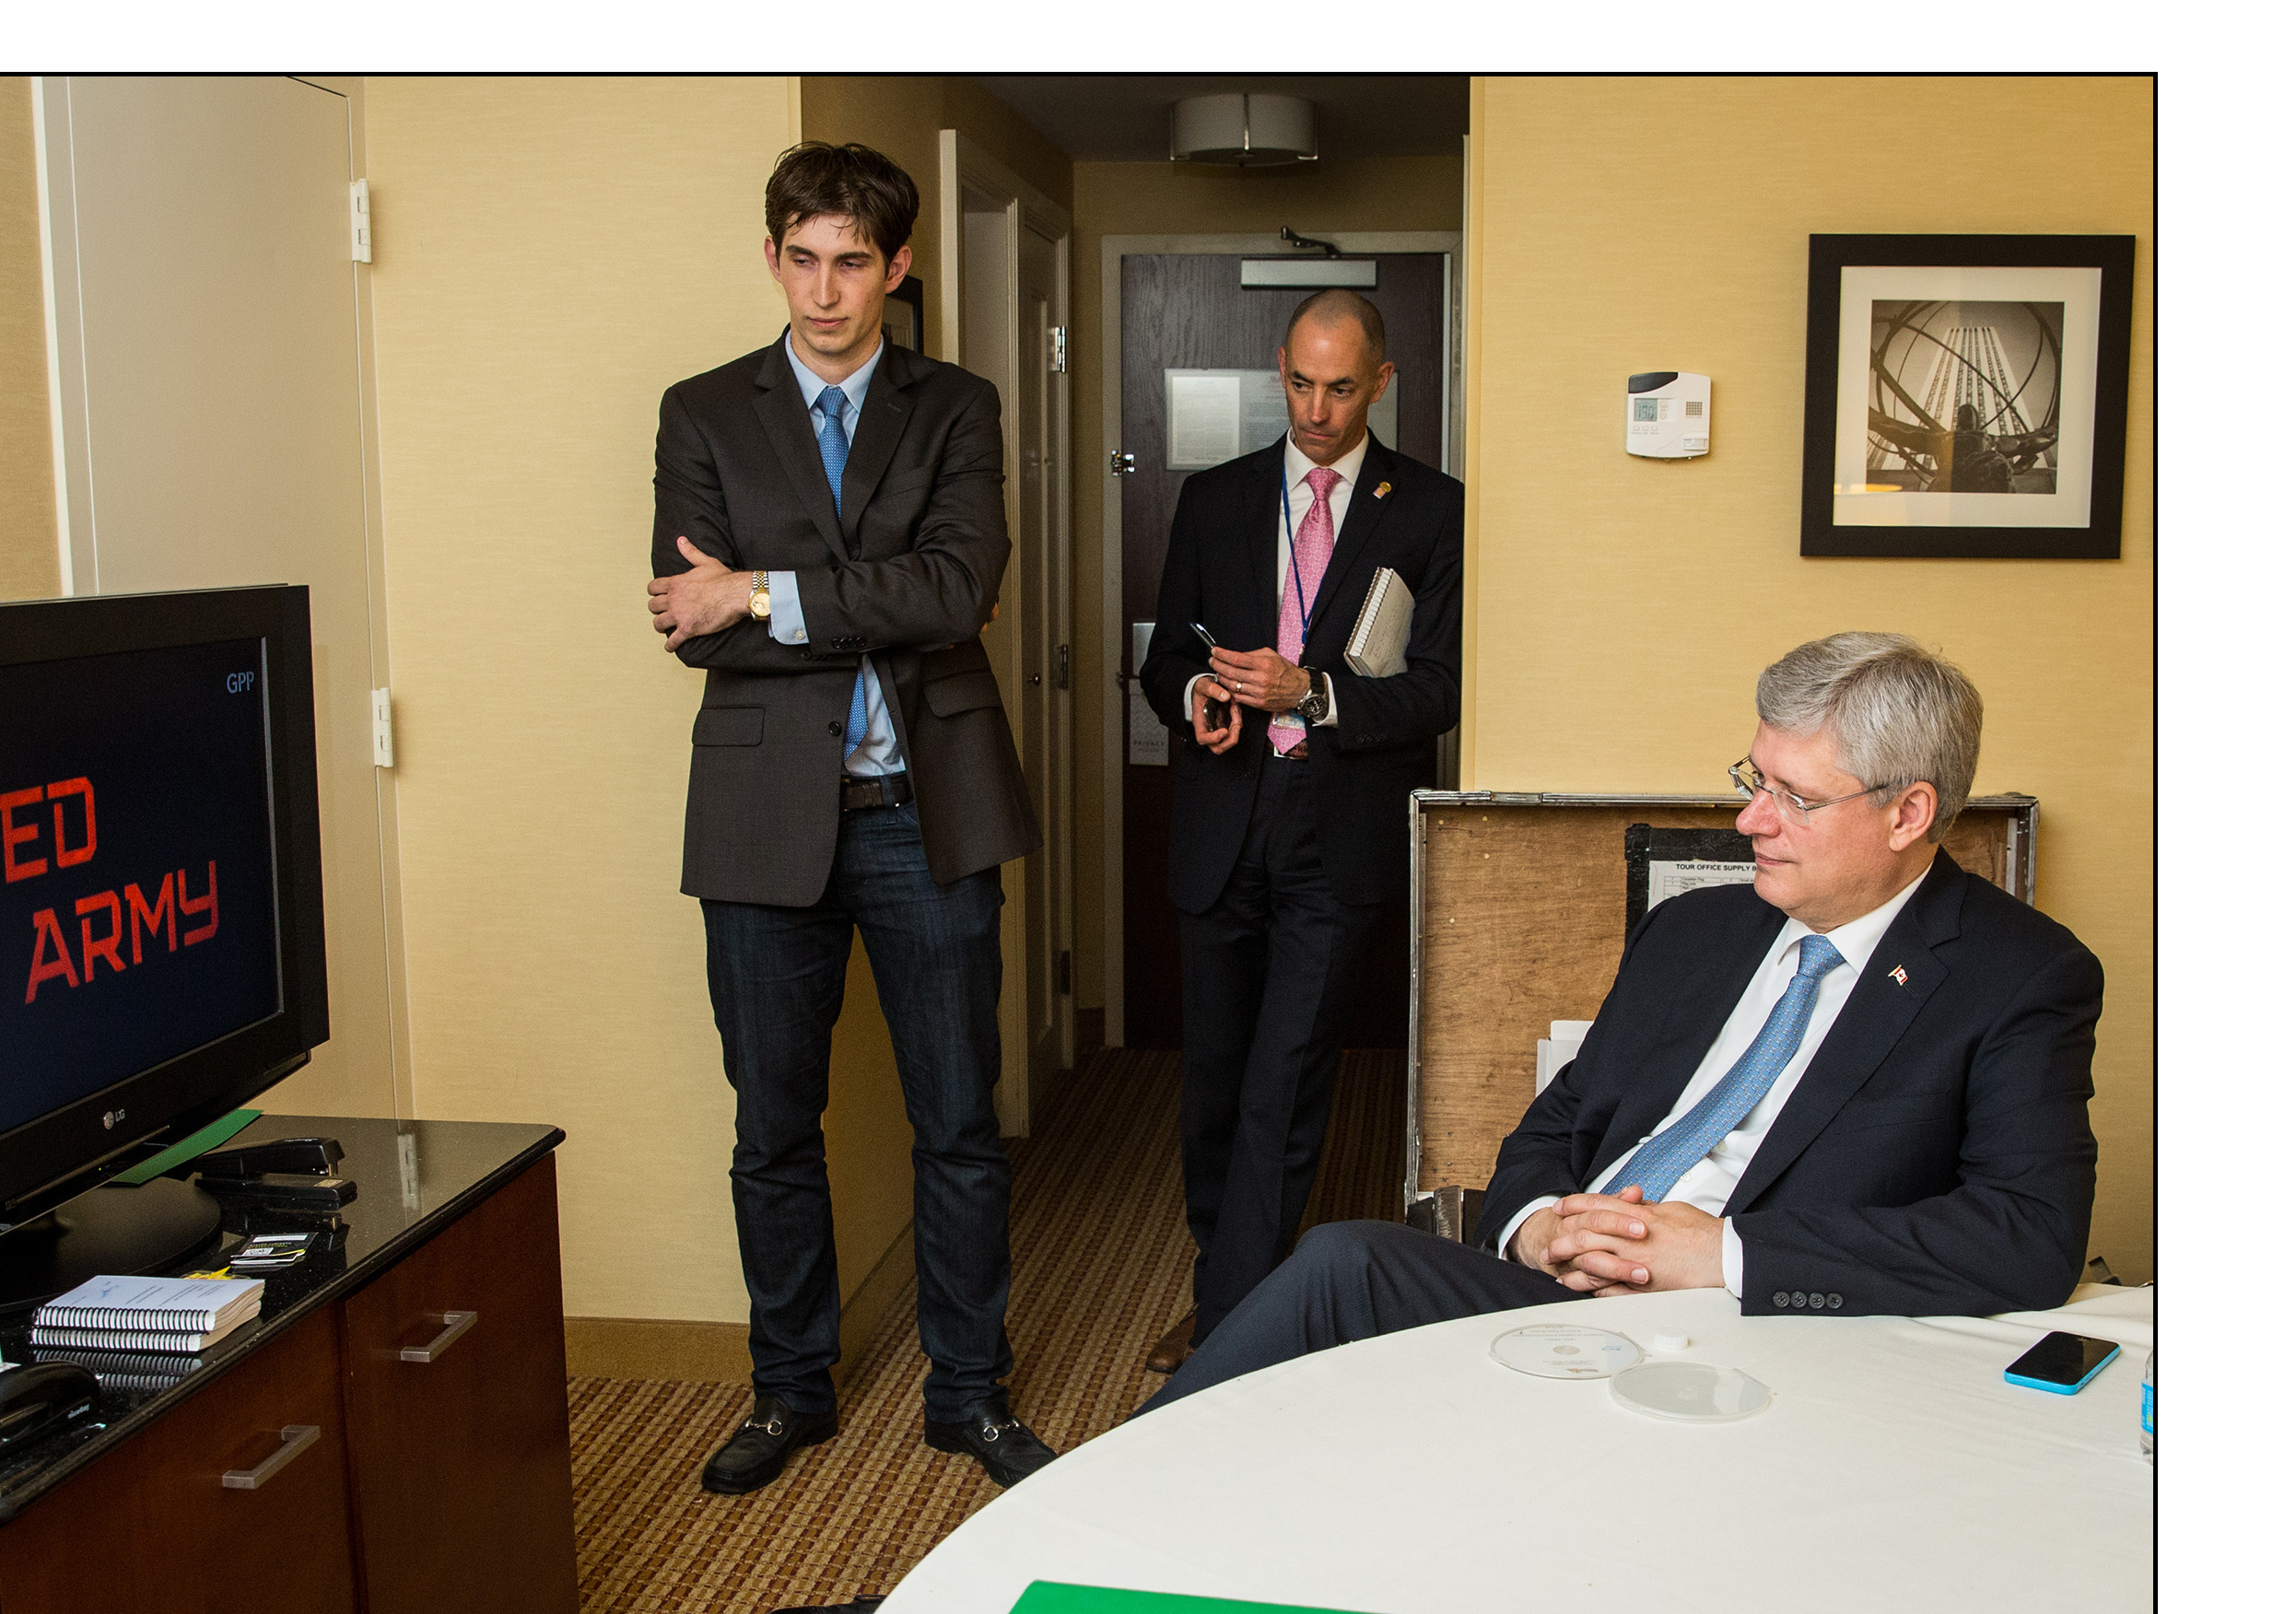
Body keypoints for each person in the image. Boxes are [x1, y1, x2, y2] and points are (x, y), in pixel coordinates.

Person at [1146, 631, 2103, 1409]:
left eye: (1795, 799)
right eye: (1753, 779)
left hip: (1757, 1334)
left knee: (1350, 1321)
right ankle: (1108, 1506)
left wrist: (1723, 1253)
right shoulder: (1696, 931)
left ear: (1909, 815)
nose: (1750, 823)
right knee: (1344, 1270)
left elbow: (2028, 1234)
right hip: (1567, 1291)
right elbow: (1558, 1123)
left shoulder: (2017, 975)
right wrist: (1536, 1226)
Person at [645, 141, 1050, 1497]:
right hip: (764, 819)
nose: (827, 291)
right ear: (774, 258)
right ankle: (789, 1389)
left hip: (920, 808)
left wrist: (761, 590)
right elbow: (687, 631)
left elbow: (955, 592)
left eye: (854, 263)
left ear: (898, 266)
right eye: (803, 259)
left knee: (958, 1122)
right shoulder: (702, 412)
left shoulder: (958, 407)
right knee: (772, 1125)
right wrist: (816, 598)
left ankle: (969, 1394)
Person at [1133, 289, 1464, 1373]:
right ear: (1280, 366)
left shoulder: (1430, 509)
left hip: (1338, 831)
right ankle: (1225, 1276)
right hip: (1224, 821)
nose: (1317, 410)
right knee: (1218, 1081)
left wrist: (1310, 690)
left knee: (1286, 1080)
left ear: (1382, 381)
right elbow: (1163, 661)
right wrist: (1199, 700)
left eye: (1341, 387)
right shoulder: (1216, 498)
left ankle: (1233, 1324)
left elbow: (1438, 690)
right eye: (1300, 382)